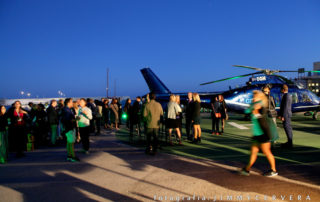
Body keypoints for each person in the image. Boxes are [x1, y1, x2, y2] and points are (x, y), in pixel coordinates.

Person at [239, 90, 278, 177]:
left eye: (255, 96)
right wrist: (252, 108)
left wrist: (255, 112)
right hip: (257, 134)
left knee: (267, 152)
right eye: (253, 96)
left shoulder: (261, 106)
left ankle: (273, 170)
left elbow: (262, 119)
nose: (253, 98)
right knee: (253, 153)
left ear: (260, 98)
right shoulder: (254, 105)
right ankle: (247, 169)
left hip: (263, 134)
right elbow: (246, 112)